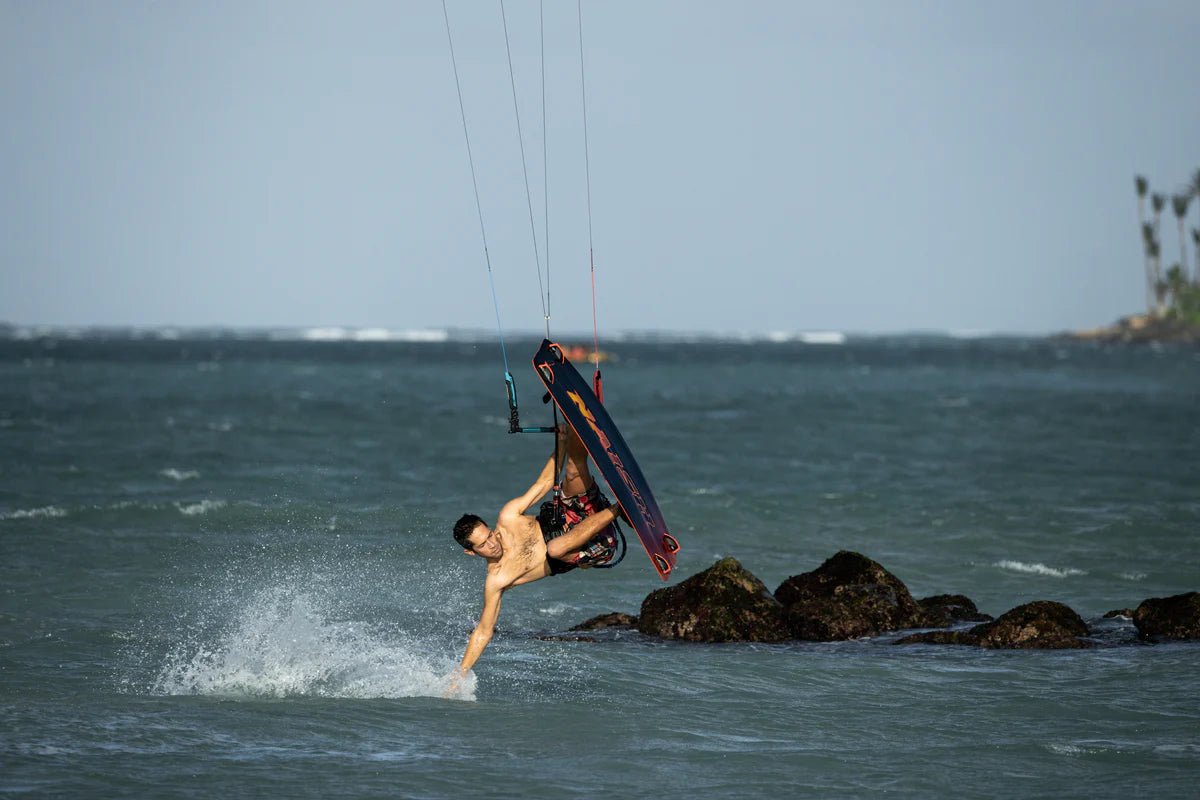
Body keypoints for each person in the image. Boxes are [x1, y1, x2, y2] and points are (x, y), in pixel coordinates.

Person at [449, 424, 622, 680]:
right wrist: (460, 674)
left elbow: (543, 484)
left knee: (573, 470)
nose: (492, 543)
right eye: (483, 545)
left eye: (489, 535)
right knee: (556, 547)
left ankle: (579, 423)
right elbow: (484, 631)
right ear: (472, 553)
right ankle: (621, 509)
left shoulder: (508, 516)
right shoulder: (497, 580)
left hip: (580, 514)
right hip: (595, 547)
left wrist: (561, 442)